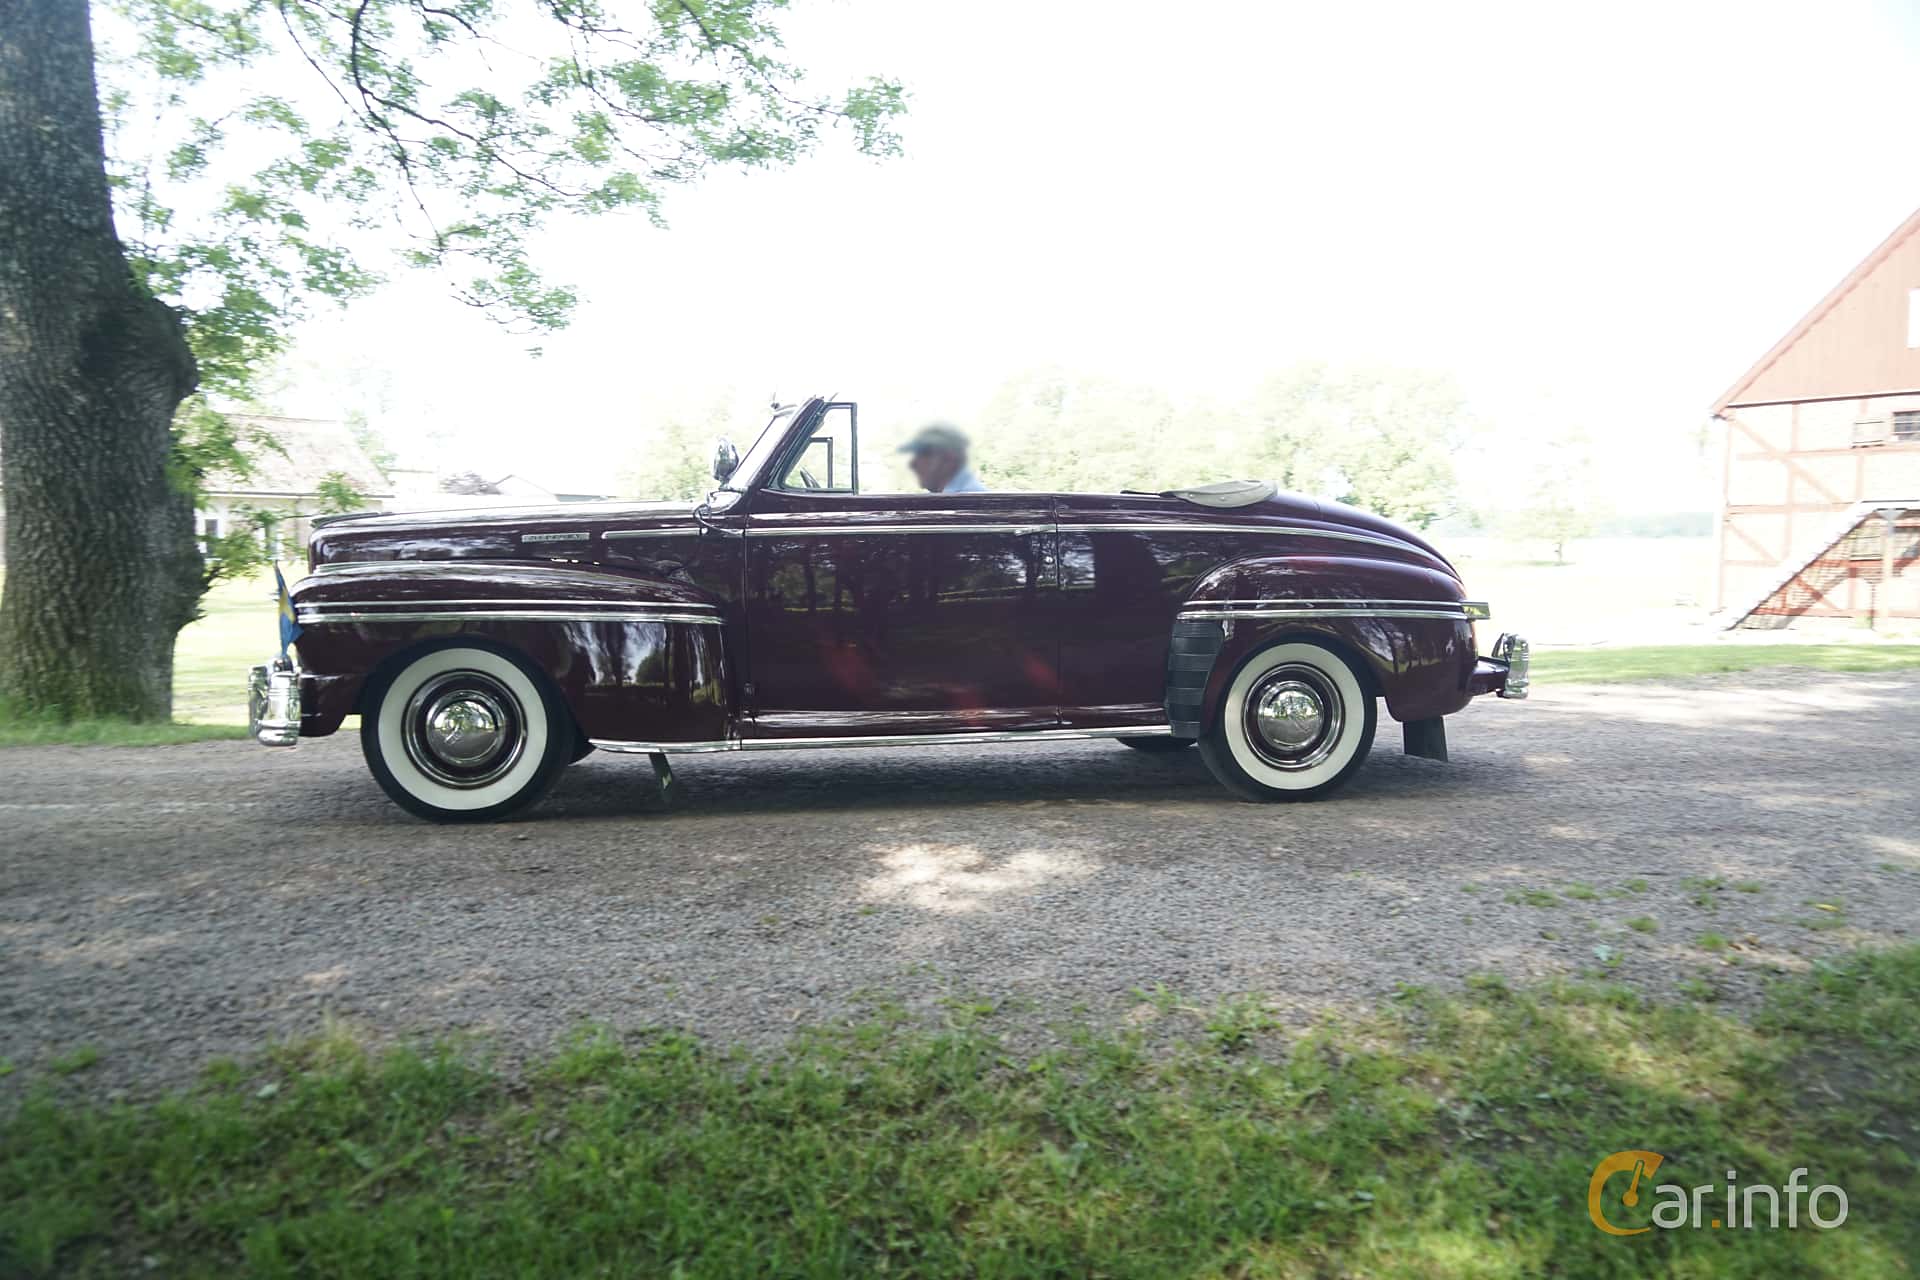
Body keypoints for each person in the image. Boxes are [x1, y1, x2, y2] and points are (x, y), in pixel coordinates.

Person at [898, 422, 987, 493]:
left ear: (949, 459)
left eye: (923, 453)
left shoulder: (970, 502)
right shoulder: (940, 499)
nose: (912, 464)